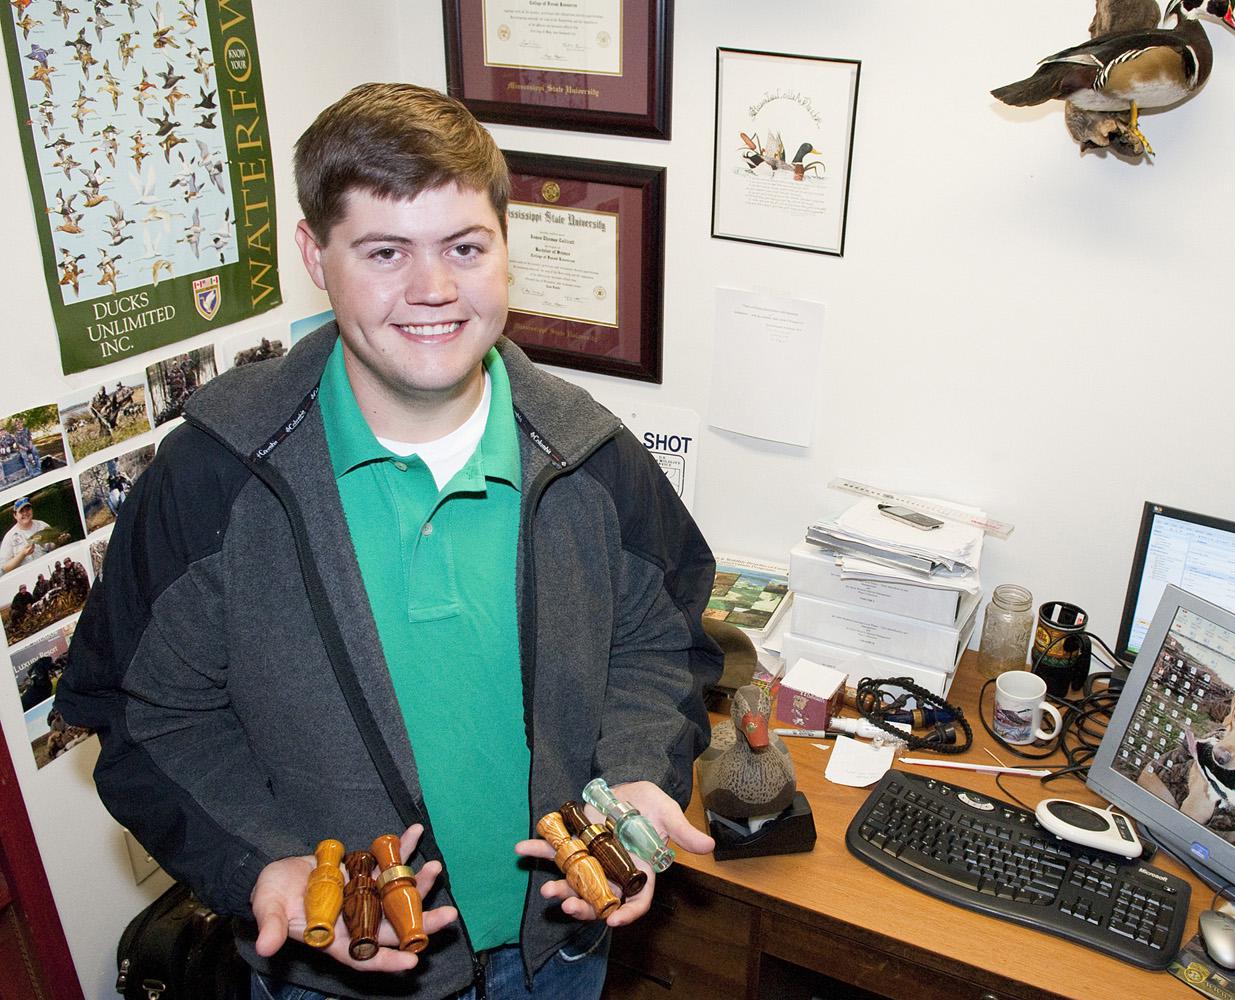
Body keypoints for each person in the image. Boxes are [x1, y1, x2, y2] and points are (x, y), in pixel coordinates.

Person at [57, 82, 722, 1000]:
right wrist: (264, 862)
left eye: (464, 246)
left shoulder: (591, 457)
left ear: (503, 247)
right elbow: (142, 714)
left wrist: (641, 776)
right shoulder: (213, 480)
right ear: (314, 255)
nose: (434, 290)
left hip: (560, 957)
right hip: (336, 975)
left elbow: (660, 644)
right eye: (384, 251)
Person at [1, 497, 64, 575]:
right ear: (15, 515)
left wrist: (59, 542)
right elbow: (5, 568)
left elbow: (53, 548)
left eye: (28, 509)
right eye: (21, 511)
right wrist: (23, 554)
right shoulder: (9, 537)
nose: (25, 513)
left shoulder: (42, 525)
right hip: (27, 576)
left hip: (49, 570)